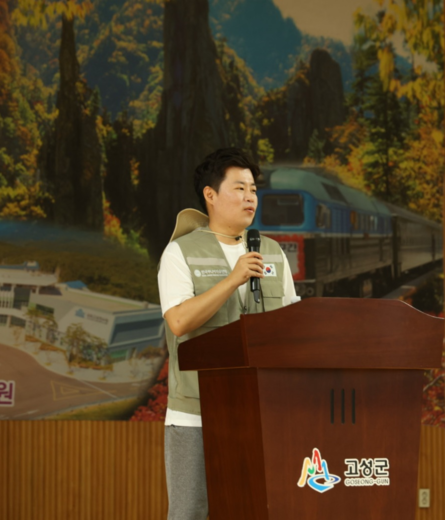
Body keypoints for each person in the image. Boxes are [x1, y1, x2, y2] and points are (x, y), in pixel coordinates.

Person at [157, 148, 297, 520]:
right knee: (190, 512)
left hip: (261, 412)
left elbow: (292, 326)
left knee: (256, 509)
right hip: (195, 414)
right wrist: (233, 279)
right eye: (239, 188)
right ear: (211, 194)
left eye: (253, 189)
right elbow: (179, 321)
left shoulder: (271, 252)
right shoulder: (179, 253)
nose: (250, 197)